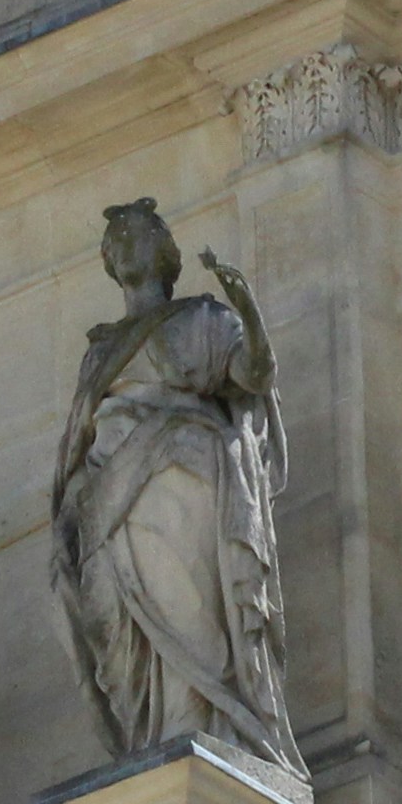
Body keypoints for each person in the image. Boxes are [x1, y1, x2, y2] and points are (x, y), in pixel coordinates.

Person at [49, 202, 301, 774]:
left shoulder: (203, 319)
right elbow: (78, 442)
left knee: (185, 611)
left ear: (163, 250)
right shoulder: (100, 350)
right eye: (115, 237)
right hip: (107, 493)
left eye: (137, 232)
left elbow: (253, 375)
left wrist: (248, 311)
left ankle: (199, 725)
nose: (124, 241)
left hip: (178, 475)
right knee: (108, 620)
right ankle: (147, 735)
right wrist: (70, 508)